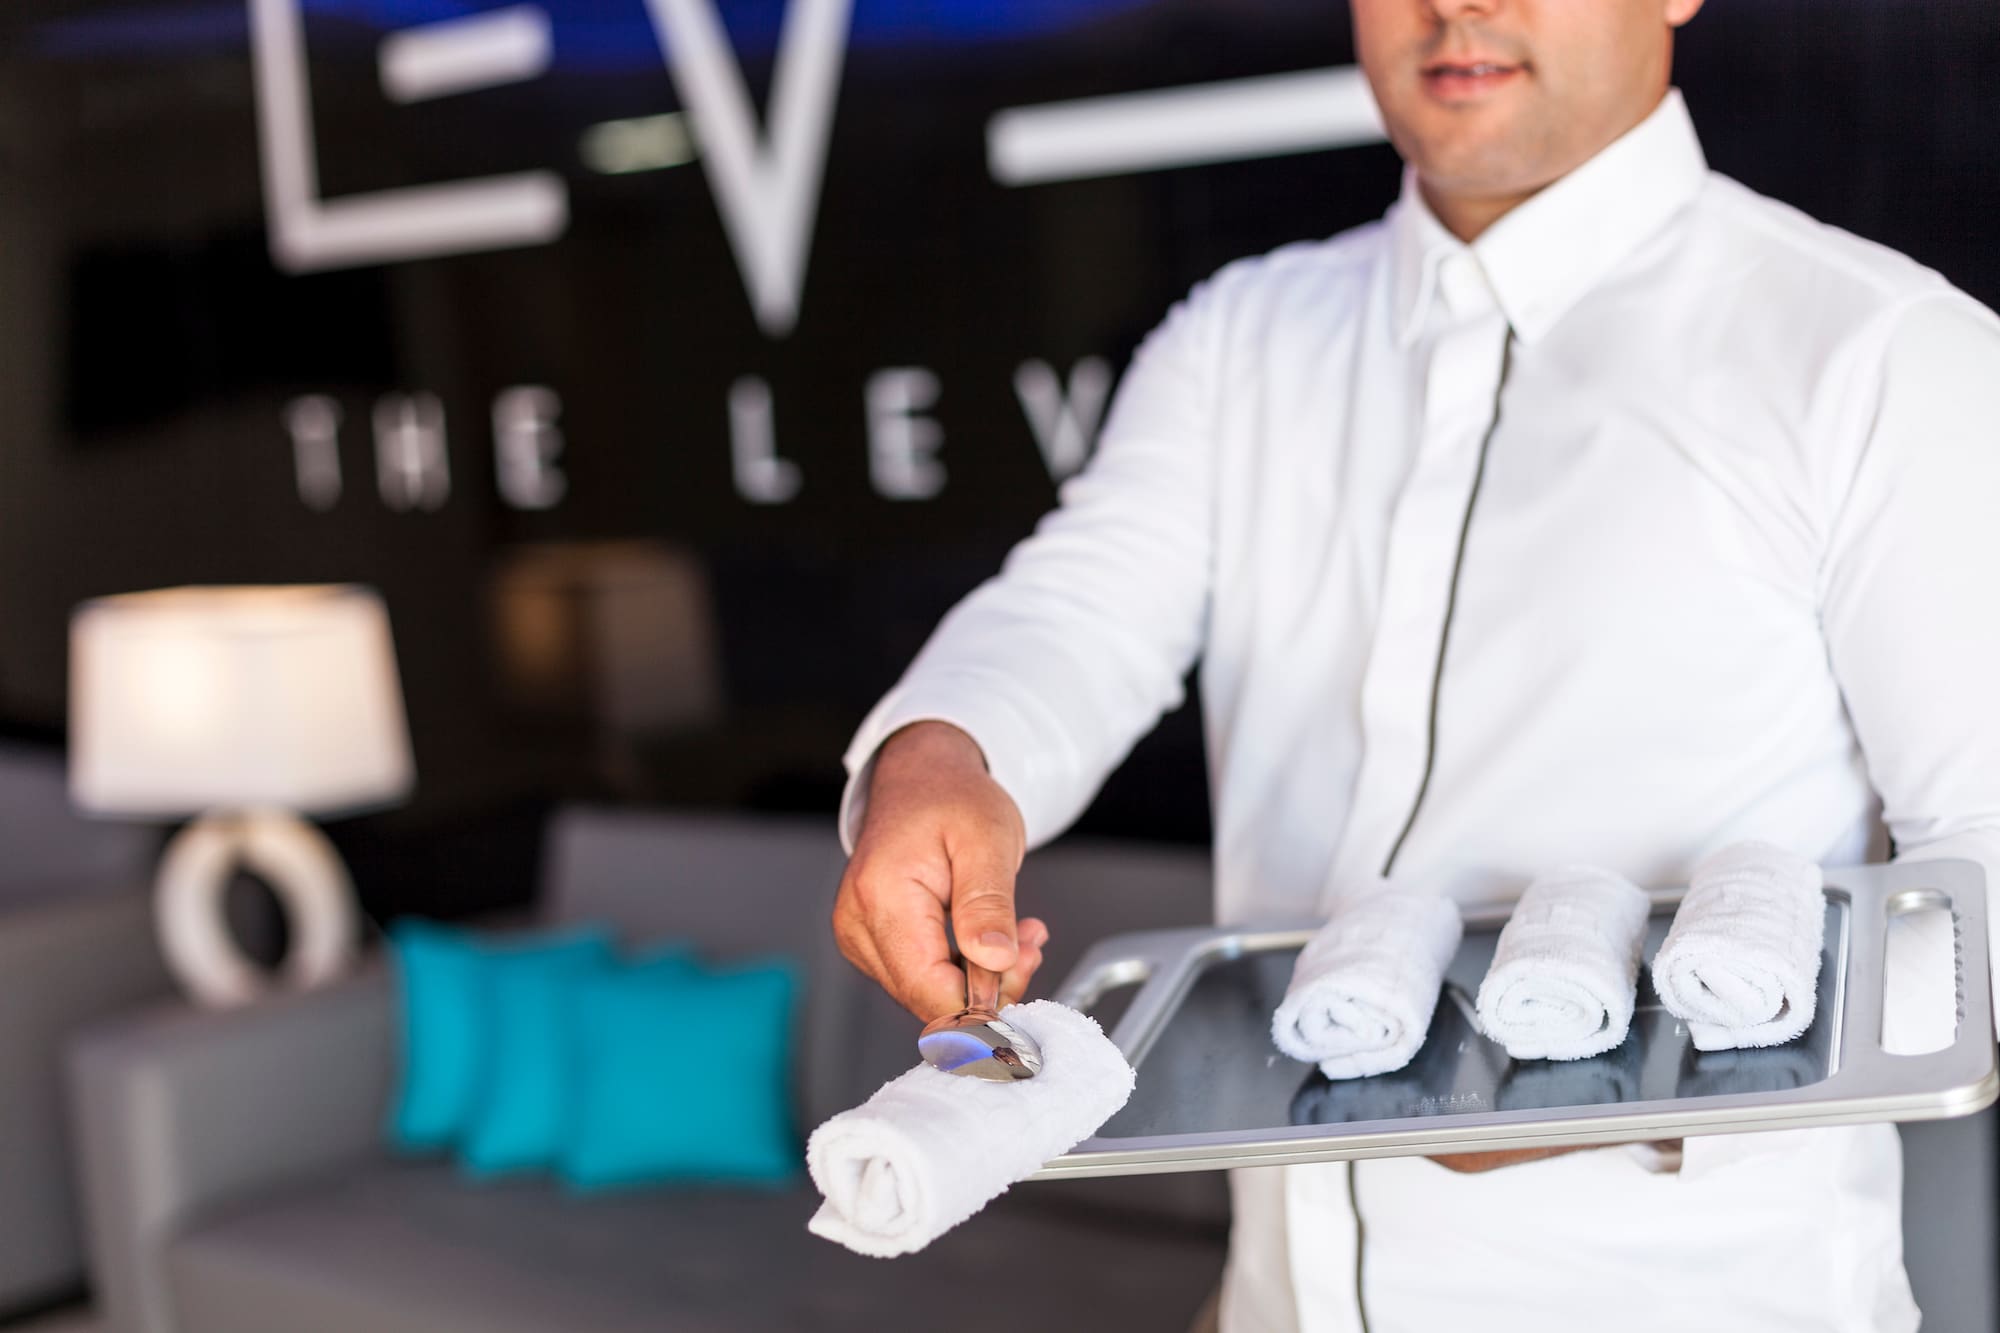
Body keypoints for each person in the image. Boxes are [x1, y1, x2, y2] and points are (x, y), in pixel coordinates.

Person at [829, 0, 2000, 1329]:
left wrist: (1617, 1084)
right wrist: (940, 756)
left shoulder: (1882, 353)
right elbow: (1078, 613)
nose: (1458, 6)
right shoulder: (1238, 337)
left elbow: (1983, 870)